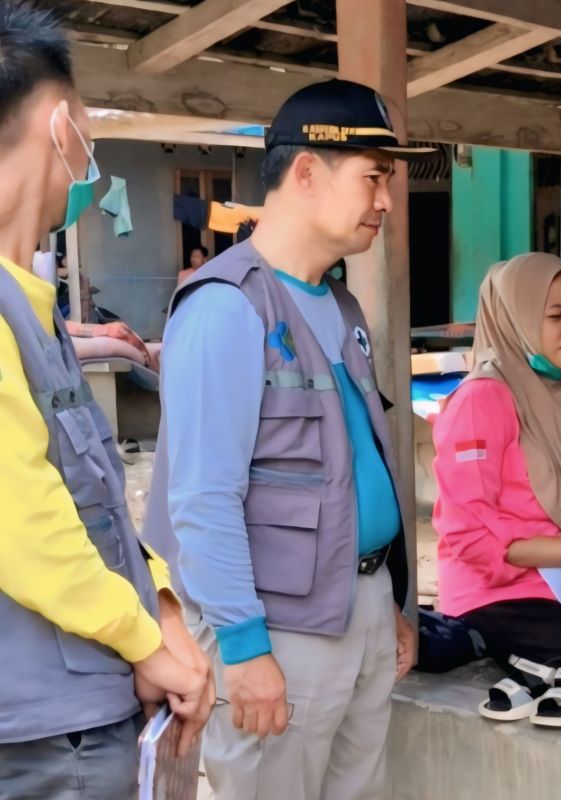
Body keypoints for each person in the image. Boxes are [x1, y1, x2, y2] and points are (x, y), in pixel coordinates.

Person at [143, 79, 434, 799]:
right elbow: (204, 501)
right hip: (281, 631)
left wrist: (391, 605)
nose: (386, 202)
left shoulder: (340, 302)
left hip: (358, 604)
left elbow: (357, 460)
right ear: (306, 172)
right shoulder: (225, 307)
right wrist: (244, 651)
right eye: (374, 178)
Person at [0, 5, 212, 797]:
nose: (89, 163)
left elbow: (93, 499)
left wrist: (161, 608)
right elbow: (21, 520)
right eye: (86, 134)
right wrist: (142, 637)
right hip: (47, 736)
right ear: (60, 127)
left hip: (84, 716)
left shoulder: (32, 305)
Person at [433, 252, 561, 727]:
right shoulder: (481, 400)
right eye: (555, 316)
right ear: (514, 319)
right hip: (498, 592)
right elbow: (470, 535)